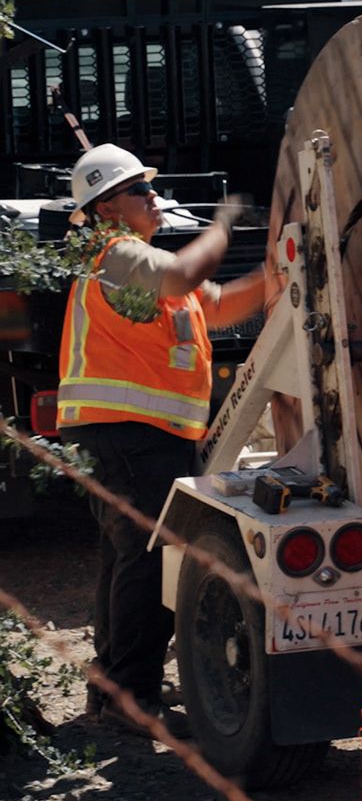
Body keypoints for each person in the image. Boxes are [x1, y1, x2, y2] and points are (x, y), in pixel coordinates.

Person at [57, 144, 267, 738]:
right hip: (124, 433)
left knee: (127, 558)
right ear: (105, 209)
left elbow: (217, 305)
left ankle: (114, 687)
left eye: (150, 187)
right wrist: (222, 227)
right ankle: (132, 698)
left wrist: (278, 275)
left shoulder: (142, 266)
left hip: (134, 434)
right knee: (147, 562)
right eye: (138, 190)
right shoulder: (115, 255)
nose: (153, 196)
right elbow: (185, 274)